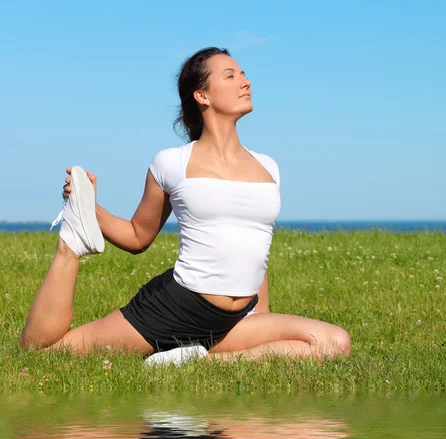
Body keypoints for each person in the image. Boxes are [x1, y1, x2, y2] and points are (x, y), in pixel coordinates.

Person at [19, 47, 351, 366]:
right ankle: (69, 245)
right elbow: (138, 236)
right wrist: (89, 208)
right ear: (202, 95)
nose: (245, 82)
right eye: (230, 76)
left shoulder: (268, 167)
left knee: (334, 342)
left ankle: (194, 362)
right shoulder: (172, 163)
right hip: (175, 307)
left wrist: (259, 319)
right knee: (47, 354)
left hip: (233, 318)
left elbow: (255, 247)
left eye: (244, 74)